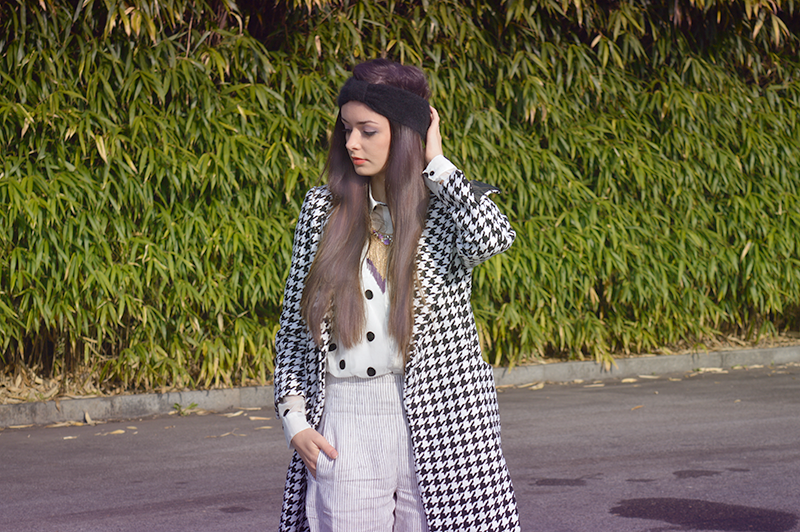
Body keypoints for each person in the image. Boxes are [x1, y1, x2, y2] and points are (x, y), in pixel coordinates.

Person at [274, 58, 520, 532]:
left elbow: (494, 238)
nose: (352, 143)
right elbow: (293, 330)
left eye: (368, 130)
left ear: (406, 133)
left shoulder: (445, 209)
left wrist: (437, 164)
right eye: (346, 129)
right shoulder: (322, 209)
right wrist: (295, 421)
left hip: (443, 419)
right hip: (345, 416)